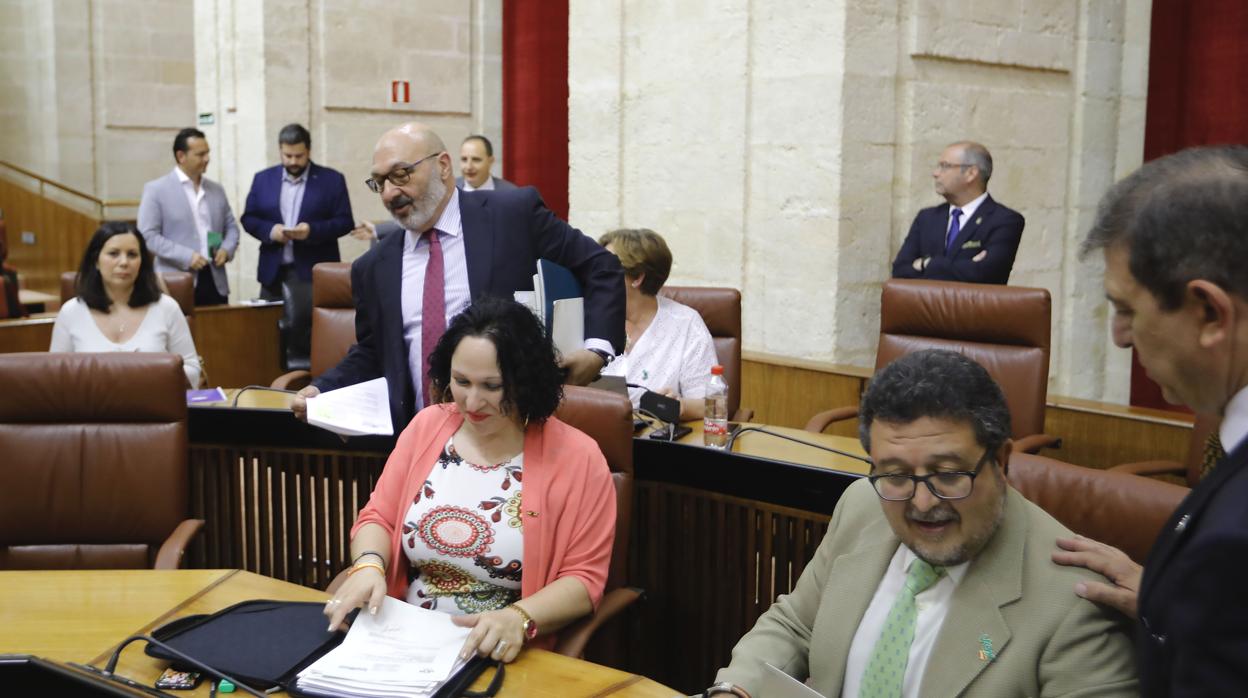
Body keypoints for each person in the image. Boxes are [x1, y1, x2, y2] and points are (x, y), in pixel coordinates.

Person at [704, 350, 1136, 698]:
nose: (923, 503)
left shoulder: (1073, 603)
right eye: (895, 474)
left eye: (948, 474)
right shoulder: (863, 505)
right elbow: (797, 623)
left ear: (1001, 462)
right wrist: (735, 689)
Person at [1052, 145, 1248, 696]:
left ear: (1208, 313)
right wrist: (1170, 596)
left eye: (1126, 309)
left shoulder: (1233, 543)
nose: (1119, 337)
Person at [322, 296, 615, 663]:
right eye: (461, 381)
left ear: (525, 381)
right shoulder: (428, 426)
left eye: (492, 386)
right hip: (401, 637)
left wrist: (519, 617)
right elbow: (379, 517)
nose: (472, 402)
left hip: (502, 651)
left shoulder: (578, 458)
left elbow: (583, 580)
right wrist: (368, 566)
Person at [293, 122, 625, 433]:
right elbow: (372, 352)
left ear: (443, 166)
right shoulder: (374, 266)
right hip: (419, 443)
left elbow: (601, 266)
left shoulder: (511, 216)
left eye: (401, 175)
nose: (390, 194)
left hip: (516, 434)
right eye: (380, 183)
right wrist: (322, 389)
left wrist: (596, 351)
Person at [241, 123, 354, 370]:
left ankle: (306, 381)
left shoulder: (331, 180)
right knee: (270, 334)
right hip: (273, 273)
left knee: (306, 335)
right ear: (280, 151)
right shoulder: (263, 179)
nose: (293, 161)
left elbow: (345, 222)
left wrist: (311, 231)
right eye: (287, 155)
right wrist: (271, 231)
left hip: (312, 273)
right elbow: (248, 218)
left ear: (309, 151)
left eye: (299, 156)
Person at [50, 221, 201, 388]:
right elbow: (55, 376)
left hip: (153, 408)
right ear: (96, 261)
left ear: (141, 262)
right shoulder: (71, 312)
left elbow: (192, 369)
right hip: (91, 410)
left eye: (132, 254)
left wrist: (147, 378)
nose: (124, 262)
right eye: (114, 254)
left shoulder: (167, 307)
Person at [597, 228, 716, 420]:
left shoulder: (686, 325)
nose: (596, 274)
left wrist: (679, 406)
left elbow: (710, 405)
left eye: (605, 267)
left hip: (655, 441)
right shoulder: (588, 317)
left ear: (637, 278)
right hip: (593, 434)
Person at [891, 141, 1024, 285]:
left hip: (975, 307)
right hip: (925, 307)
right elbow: (900, 271)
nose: (935, 173)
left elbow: (986, 273)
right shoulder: (927, 218)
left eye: (945, 166)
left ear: (971, 173)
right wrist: (966, 266)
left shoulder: (1004, 220)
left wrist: (926, 264)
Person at [137, 128, 240, 305]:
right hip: (175, 280)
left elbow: (231, 227)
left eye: (208, 153)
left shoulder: (216, 189)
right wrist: (186, 256)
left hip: (215, 278)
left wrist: (226, 249)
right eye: (200, 154)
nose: (207, 159)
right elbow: (147, 236)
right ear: (181, 156)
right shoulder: (156, 190)